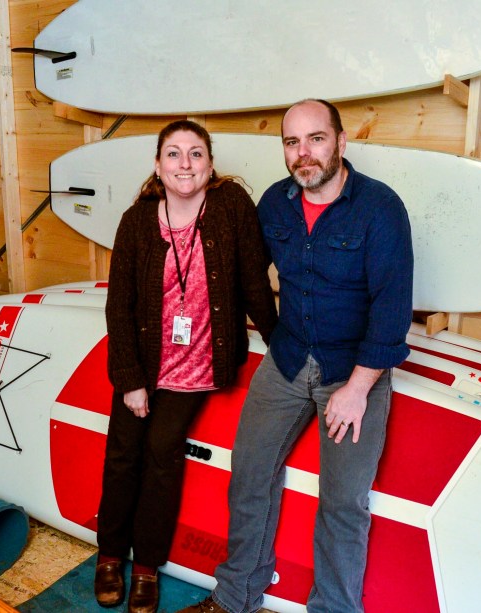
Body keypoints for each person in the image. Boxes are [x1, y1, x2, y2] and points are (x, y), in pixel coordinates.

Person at [178, 99, 414, 613]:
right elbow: (241, 270)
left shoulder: (380, 208)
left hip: (353, 371)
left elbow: (392, 310)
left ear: (341, 142)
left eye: (316, 139)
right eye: (291, 142)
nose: (303, 154)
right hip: (287, 358)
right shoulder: (275, 204)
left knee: (343, 503)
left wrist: (356, 390)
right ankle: (235, 597)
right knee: (249, 475)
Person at [96, 120, 278, 612]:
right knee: (122, 455)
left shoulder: (230, 209)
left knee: (161, 451)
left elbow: (254, 282)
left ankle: (147, 568)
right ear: (158, 166)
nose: (185, 164)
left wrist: (282, 340)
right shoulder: (137, 222)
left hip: (199, 363)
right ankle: (110, 556)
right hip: (144, 362)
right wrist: (131, 381)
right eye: (173, 154)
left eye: (195, 154)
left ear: (210, 164)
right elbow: (119, 306)